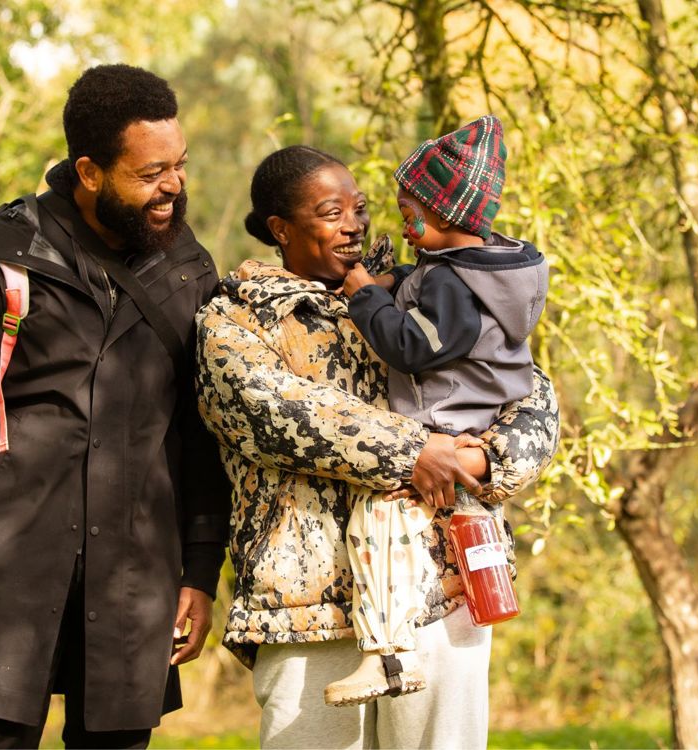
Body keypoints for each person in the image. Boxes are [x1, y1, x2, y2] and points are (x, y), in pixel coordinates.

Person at [0, 64, 231, 749]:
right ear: (89, 172)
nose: (173, 186)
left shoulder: (190, 272)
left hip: (137, 583)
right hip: (6, 577)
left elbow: (203, 436)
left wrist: (200, 572)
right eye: (150, 173)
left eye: (180, 166)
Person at [194, 144, 559, 749]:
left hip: (443, 586)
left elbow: (530, 399)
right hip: (308, 606)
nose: (354, 224)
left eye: (359, 208)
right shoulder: (233, 321)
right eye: (331, 211)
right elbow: (281, 414)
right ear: (280, 228)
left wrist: (484, 460)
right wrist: (417, 450)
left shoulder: (428, 292)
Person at [327, 114, 549, 706]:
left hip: (444, 426)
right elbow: (426, 294)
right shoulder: (482, 272)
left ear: (443, 214)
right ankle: (443, 612)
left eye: (409, 211)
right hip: (477, 424)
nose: (403, 221)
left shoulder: (454, 286)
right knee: (454, 533)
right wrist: (394, 280)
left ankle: (387, 653)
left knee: (379, 519)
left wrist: (363, 295)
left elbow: (412, 344)